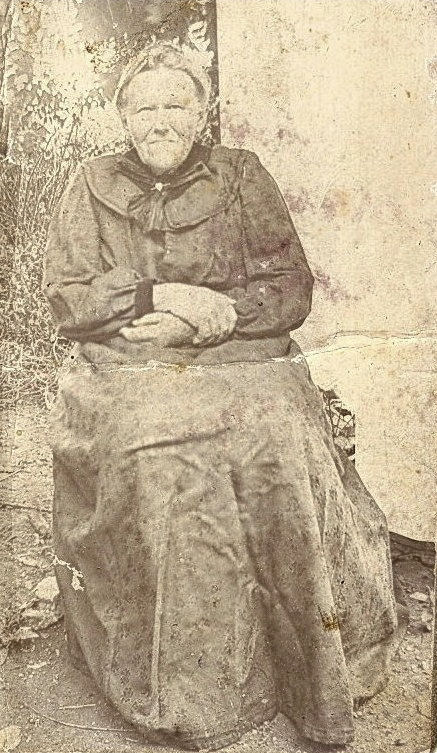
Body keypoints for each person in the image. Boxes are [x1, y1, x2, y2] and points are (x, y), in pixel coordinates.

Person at [44, 40, 402, 751]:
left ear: (201, 112)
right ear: (123, 116)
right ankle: (188, 690)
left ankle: (299, 674)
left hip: (242, 356)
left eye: (176, 104)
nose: (160, 121)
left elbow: (290, 286)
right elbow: (67, 297)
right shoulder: (89, 182)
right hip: (129, 367)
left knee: (277, 437)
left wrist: (216, 311)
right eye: (144, 108)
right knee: (150, 449)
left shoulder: (241, 174)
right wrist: (157, 296)